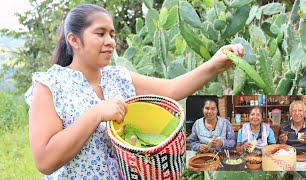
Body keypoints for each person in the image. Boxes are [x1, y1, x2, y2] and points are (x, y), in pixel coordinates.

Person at [24, 4, 244, 179]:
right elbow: (45, 161)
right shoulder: (50, 86)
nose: (110, 42)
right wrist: (95, 114)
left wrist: (215, 64)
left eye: (111, 34)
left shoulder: (118, 77)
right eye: (100, 34)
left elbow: (172, 88)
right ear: (73, 40)